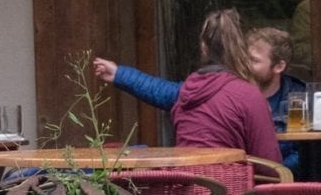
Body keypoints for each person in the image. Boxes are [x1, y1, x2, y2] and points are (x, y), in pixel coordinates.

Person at [92, 23, 305, 169]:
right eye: (245, 57)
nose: (247, 65)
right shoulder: (224, 91)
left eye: (255, 60)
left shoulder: (299, 100)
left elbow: (305, 154)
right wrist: (121, 74)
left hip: (266, 180)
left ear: (279, 66)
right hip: (240, 186)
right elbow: (160, 90)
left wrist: (279, 170)